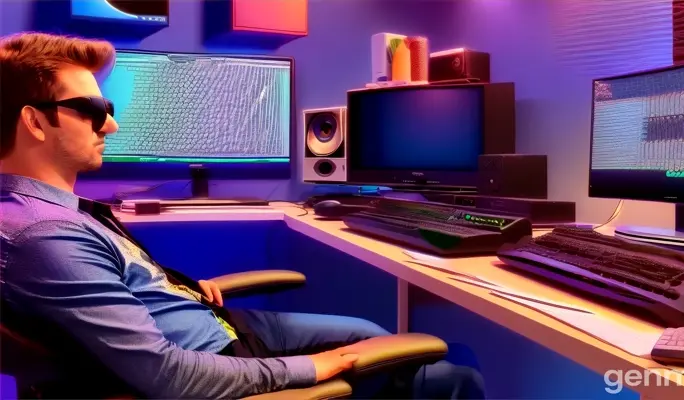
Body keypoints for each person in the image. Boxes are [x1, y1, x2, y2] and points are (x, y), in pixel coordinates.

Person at [0, 32, 486, 399]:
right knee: (452, 375)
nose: (112, 123)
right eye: (92, 108)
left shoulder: (48, 213)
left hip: (214, 320)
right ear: (34, 121)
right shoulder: (46, 236)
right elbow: (166, 374)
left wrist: (174, 287)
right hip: (216, 356)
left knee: (376, 334)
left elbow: (118, 288)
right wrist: (313, 369)